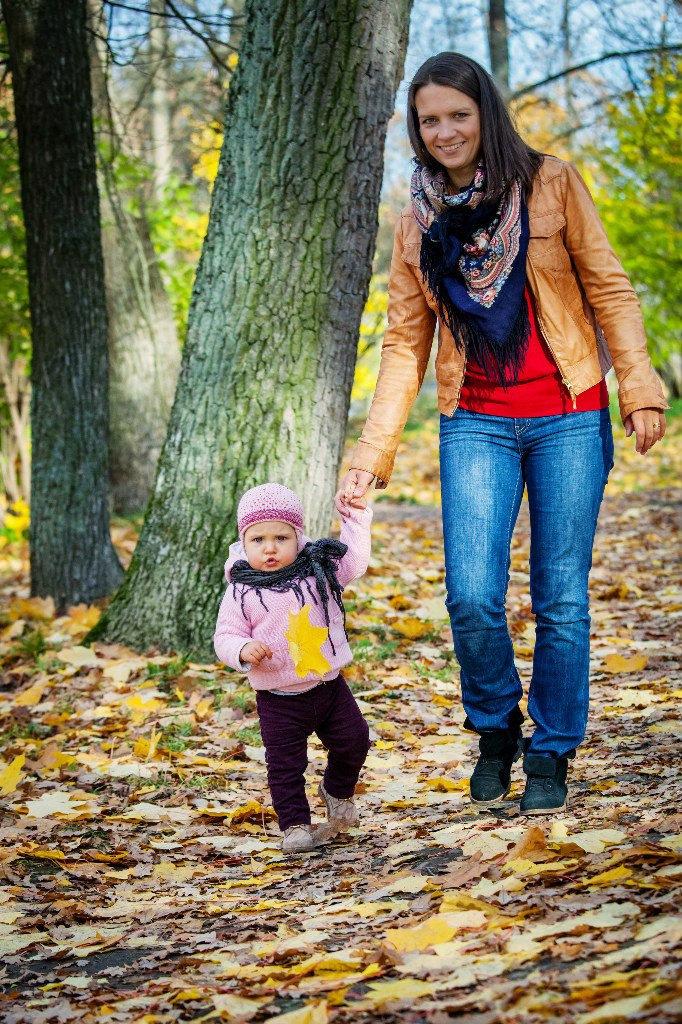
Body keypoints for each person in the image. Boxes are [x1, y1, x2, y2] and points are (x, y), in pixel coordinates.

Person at [336, 52, 667, 815]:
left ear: (484, 112)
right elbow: (402, 342)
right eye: (430, 119)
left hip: (569, 415)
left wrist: (640, 388)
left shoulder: (550, 182)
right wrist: (371, 453)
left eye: (458, 113)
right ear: (416, 131)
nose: (446, 131)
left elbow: (609, 285)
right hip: (476, 422)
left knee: (561, 597)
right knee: (473, 597)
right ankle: (495, 731)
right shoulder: (417, 219)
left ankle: (551, 752)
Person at [214, 482, 372, 853]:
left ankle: (337, 790)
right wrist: (242, 648)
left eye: (281, 537)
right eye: (258, 540)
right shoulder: (241, 590)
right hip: (278, 698)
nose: (270, 548)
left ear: (298, 537)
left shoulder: (317, 569)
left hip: (328, 687)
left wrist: (355, 517)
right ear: (243, 542)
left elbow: (355, 561)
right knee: (285, 766)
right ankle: (295, 826)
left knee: (355, 740)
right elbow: (225, 634)